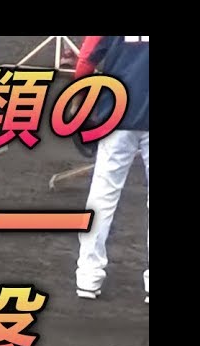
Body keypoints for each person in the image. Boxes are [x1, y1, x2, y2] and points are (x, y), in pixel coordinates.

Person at [70, 36, 149, 304]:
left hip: (117, 113)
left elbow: (87, 58)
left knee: (102, 196)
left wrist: (79, 106)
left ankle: (88, 277)